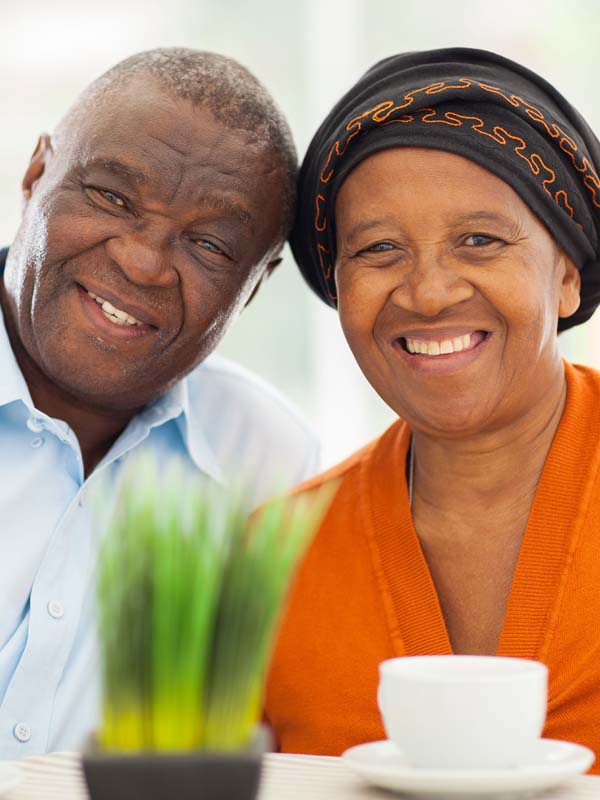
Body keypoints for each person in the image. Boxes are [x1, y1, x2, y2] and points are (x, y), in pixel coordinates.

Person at [264, 47, 600, 772]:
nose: (428, 293)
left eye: (478, 240)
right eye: (379, 249)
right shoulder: (271, 558)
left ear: (567, 275)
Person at [0, 47, 319, 757]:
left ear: (257, 282)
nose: (142, 260)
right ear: (34, 174)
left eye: (208, 244)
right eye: (112, 197)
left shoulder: (269, 460)